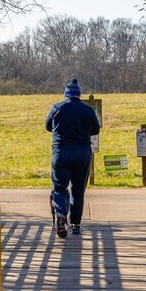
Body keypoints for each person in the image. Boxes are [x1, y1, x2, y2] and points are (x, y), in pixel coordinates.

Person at [45, 78, 100, 238]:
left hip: (61, 152)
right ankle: (76, 225)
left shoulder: (57, 107)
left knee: (59, 187)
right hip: (82, 153)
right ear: (78, 94)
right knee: (78, 190)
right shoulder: (88, 109)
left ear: (65, 94)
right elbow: (96, 130)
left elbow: (48, 126)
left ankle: (61, 214)